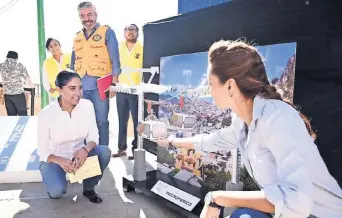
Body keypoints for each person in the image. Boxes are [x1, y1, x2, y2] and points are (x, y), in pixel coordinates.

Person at [148, 40, 342, 218]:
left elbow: (298, 203)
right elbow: (211, 141)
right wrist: (170, 141)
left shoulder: (277, 119)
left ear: (230, 86)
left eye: (210, 84)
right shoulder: (243, 122)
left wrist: (218, 197)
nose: (209, 91)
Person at [37, 71, 111, 203]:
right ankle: (55, 179)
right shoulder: (46, 114)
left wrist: (85, 150)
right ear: (59, 90)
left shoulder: (87, 105)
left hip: (80, 156)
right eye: (72, 88)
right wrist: (60, 161)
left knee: (104, 151)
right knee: (56, 193)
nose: (78, 93)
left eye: (80, 88)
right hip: (56, 160)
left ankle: (89, 188)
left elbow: (93, 136)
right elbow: (42, 151)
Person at [70, 1, 121, 146]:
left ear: (96, 14)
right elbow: (73, 64)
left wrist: (114, 83)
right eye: (83, 16)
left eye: (89, 14)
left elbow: (115, 60)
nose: (87, 19)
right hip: (81, 88)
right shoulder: (77, 37)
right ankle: (88, 156)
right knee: (83, 122)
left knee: (101, 121)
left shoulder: (107, 32)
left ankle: (103, 153)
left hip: (101, 87)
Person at [112, 24, 143, 160]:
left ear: (137, 33)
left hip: (136, 90)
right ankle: (121, 148)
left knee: (137, 120)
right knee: (122, 119)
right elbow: (114, 66)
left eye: (133, 30)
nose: (130, 32)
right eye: (128, 30)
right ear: (124, 33)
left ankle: (136, 149)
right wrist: (113, 85)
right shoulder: (118, 48)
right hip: (121, 88)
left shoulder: (142, 48)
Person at [0, 51, 33, 116]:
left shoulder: (1, 65)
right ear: (16, 58)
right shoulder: (20, 65)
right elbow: (27, 79)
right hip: (18, 95)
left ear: (7, 57)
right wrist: (32, 87)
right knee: (22, 117)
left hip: (7, 95)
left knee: (11, 117)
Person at [42, 38, 72, 103]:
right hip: (56, 95)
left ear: (60, 46)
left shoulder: (70, 57)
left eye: (55, 45)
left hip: (71, 93)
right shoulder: (47, 62)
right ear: (48, 50)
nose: (54, 48)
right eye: (50, 46)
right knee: (56, 112)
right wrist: (49, 89)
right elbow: (45, 78)